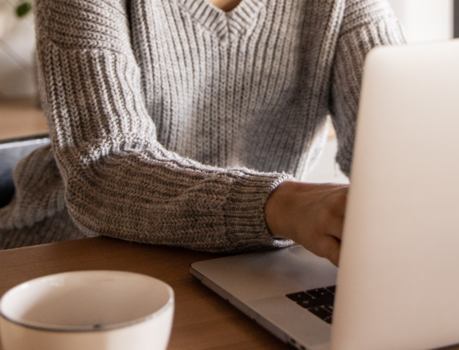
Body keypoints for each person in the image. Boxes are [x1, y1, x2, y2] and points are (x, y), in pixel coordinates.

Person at [0, 0, 404, 265]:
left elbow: (402, 142)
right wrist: (282, 205)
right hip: (75, 255)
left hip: (247, 258)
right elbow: (103, 171)